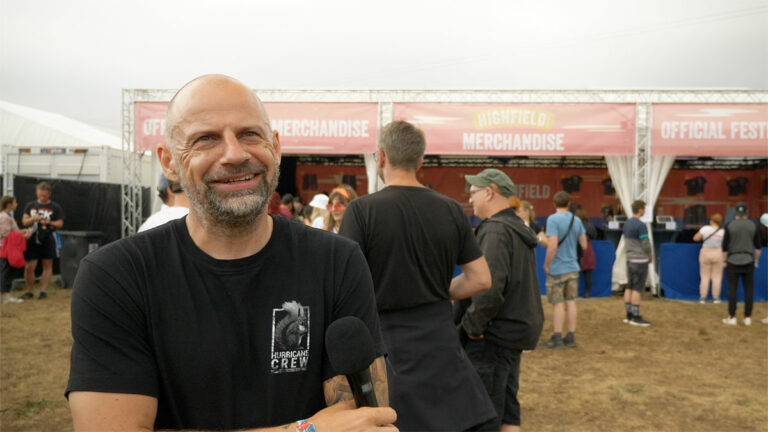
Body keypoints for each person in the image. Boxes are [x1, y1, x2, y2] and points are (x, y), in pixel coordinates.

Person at [66, 74, 397, 431]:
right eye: (205, 139)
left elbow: (359, 421)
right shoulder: (116, 276)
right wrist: (306, 429)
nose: (235, 154)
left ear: (276, 146)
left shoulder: (338, 262)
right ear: (169, 162)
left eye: (249, 134)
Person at [340, 120, 495, 431]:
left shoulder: (361, 210)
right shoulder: (451, 209)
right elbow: (480, 279)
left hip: (388, 348)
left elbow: (345, 285)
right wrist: (437, 290)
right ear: (420, 160)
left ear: (381, 157)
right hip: (441, 343)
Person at [456, 169, 543, 432]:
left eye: (473, 193)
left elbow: (489, 289)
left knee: (484, 416)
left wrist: (471, 328)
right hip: (511, 333)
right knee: (506, 409)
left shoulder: (495, 231)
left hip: (492, 336)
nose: (470, 200)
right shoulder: (516, 227)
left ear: (489, 192)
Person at [540, 191, 587, 348]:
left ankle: (558, 337)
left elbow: (552, 245)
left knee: (558, 303)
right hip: (573, 267)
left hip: (557, 268)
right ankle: (571, 336)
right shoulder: (577, 220)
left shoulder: (552, 219)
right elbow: (584, 245)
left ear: (554, 203)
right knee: (571, 301)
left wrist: (546, 264)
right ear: (569, 203)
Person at [20, 181, 64, 300]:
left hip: (48, 237)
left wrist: (48, 222)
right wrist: (33, 218)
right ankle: (29, 290)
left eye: (44, 195)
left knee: (47, 264)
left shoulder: (55, 207)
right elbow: (24, 222)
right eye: (40, 195)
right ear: (36, 192)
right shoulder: (30, 205)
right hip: (33, 238)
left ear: (49, 193)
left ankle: (43, 291)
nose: (42, 197)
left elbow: (60, 223)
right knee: (30, 266)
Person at [721, 202, 762, 326]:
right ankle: (747, 317)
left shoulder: (729, 225)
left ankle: (732, 316)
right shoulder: (754, 225)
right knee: (749, 289)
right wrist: (755, 260)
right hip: (748, 260)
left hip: (733, 260)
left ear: (736, 213)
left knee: (732, 289)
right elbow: (758, 247)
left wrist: (724, 261)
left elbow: (724, 246)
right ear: (746, 212)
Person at [622, 200, 653, 326]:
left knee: (629, 286)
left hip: (629, 259)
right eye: (644, 208)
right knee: (638, 288)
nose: (645, 211)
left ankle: (628, 314)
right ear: (640, 209)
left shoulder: (627, 224)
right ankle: (635, 316)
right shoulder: (641, 225)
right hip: (640, 260)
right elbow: (645, 243)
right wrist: (650, 255)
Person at [1, 196, 31, 304]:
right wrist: (23, 236)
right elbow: (5, 234)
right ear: (9, 204)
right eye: (15, 202)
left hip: (9, 248)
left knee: (8, 271)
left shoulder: (8, 216)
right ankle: (5, 296)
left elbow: (13, 232)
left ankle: (6, 293)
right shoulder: (4, 217)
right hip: (6, 249)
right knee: (6, 272)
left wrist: (22, 232)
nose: (16, 204)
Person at [693, 213, 724, 304]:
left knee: (704, 276)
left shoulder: (705, 229)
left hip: (706, 252)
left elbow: (695, 238)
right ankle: (716, 298)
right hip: (718, 253)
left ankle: (703, 297)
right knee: (717, 277)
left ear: (711, 220)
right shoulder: (723, 232)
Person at [576, 208, 597, 298]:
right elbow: (594, 236)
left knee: (575, 272)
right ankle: (587, 293)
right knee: (588, 272)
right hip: (588, 248)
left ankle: (574, 292)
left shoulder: (575, 225)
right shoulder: (590, 225)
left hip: (576, 247)